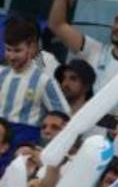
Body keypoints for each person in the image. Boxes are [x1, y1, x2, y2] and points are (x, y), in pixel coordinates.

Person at [0, 19, 71, 147]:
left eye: (17, 50)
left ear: (31, 48)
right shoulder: (1, 73)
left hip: (24, 147)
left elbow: (64, 116)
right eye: (8, 50)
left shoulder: (44, 81)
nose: (11, 56)